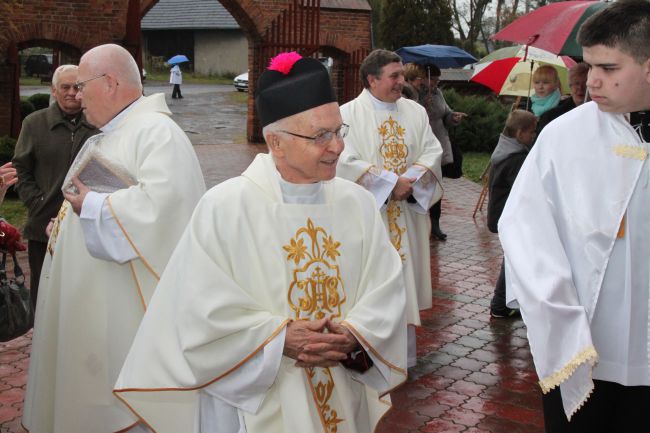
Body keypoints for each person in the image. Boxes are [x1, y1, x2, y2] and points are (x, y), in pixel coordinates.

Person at [113, 52, 407, 433]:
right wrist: (279, 337)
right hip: (250, 401)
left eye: (339, 131)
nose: (337, 148)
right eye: (321, 136)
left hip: (342, 386)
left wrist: (355, 334)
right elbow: (196, 310)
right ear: (276, 142)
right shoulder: (226, 207)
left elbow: (386, 286)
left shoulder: (358, 203)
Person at [22, 43, 206, 433]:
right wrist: (67, 227)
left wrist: (90, 209)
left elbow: (163, 212)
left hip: (124, 311)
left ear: (108, 82)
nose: (77, 95)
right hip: (93, 302)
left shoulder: (157, 134)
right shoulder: (108, 134)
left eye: (81, 85)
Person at [499, 1, 650, 431]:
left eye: (608, 67)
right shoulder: (563, 137)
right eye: (586, 66)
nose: (590, 80)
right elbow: (523, 230)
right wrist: (555, 312)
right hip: (583, 347)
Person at [337, 49, 442, 367]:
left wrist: (407, 183)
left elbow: (432, 151)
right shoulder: (347, 114)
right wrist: (387, 183)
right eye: (394, 76)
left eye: (400, 75)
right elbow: (344, 160)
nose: (400, 82)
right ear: (372, 79)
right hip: (370, 219)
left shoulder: (415, 112)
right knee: (370, 284)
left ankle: (404, 357)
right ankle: (369, 351)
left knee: (403, 283)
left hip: (406, 216)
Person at [12, 64, 98, 309]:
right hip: (43, 227)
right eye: (65, 87)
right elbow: (21, 168)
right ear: (53, 90)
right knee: (44, 294)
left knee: (81, 294)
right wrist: (36, 202)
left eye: (77, 86)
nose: (72, 92)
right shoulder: (35, 124)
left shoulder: (96, 123)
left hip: (85, 223)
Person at [403, 63, 466, 241]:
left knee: (436, 183)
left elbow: (445, 112)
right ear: (423, 78)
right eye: (434, 80)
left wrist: (452, 117)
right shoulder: (412, 93)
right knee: (416, 186)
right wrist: (423, 104)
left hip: (438, 143)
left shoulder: (437, 93)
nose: (435, 84)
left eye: (438, 81)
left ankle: (435, 224)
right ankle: (416, 222)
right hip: (420, 146)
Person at [486, 110, 537, 318]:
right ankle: (499, 305)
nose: (534, 136)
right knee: (513, 260)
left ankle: (501, 305)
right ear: (520, 132)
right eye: (531, 132)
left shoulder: (504, 150)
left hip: (501, 215)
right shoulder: (516, 159)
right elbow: (525, 190)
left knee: (512, 259)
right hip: (511, 218)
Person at [536, 62, 589, 133]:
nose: (580, 88)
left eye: (585, 84)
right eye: (576, 83)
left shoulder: (600, 111)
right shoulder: (552, 116)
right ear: (570, 86)